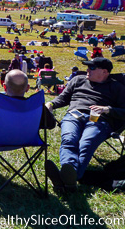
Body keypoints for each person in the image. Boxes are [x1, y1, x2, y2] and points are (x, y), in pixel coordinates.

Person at [45, 58, 125, 192]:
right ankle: (69, 177)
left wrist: (107, 109)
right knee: (69, 139)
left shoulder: (117, 87)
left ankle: (67, 177)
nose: (87, 70)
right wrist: (51, 104)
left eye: (92, 68)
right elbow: (63, 98)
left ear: (105, 72)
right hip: (74, 116)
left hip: (100, 120)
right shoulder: (78, 80)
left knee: (86, 144)